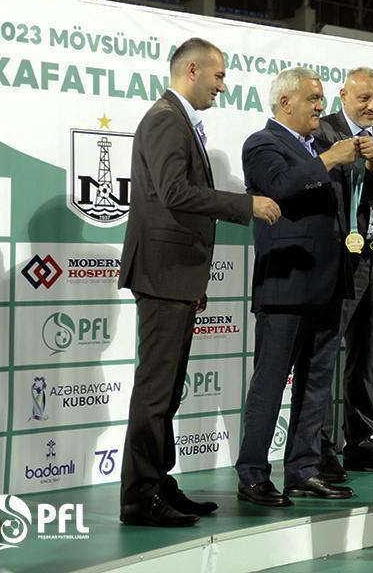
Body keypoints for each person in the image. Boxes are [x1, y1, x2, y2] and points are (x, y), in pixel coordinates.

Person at [117, 37, 281, 527]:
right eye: (219, 75)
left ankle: (157, 482)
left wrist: (193, 280)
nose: (222, 86)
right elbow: (174, 193)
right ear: (192, 70)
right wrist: (245, 205)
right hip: (162, 274)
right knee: (156, 392)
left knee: (166, 391)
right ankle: (140, 496)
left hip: (175, 276)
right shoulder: (166, 119)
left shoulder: (175, 118)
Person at [235, 67, 373, 505]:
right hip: (286, 283)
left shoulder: (316, 148)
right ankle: (252, 474)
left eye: (320, 98)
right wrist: (329, 160)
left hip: (329, 283)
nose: (320, 107)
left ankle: (303, 469)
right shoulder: (262, 143)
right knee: (270, 382)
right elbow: (279, 188)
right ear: (285, 103)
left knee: (316, 384)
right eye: (313, 99)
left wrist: (369, 170)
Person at [313, 67, 373, 481]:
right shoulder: (323, 131)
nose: (372, 106)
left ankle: (361, 442)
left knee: (365, 357)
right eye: (364, 98)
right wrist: (370, 174)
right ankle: (318, 448)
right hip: (337, 259)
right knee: (322, 358)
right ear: (343, 95)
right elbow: (326, 187)